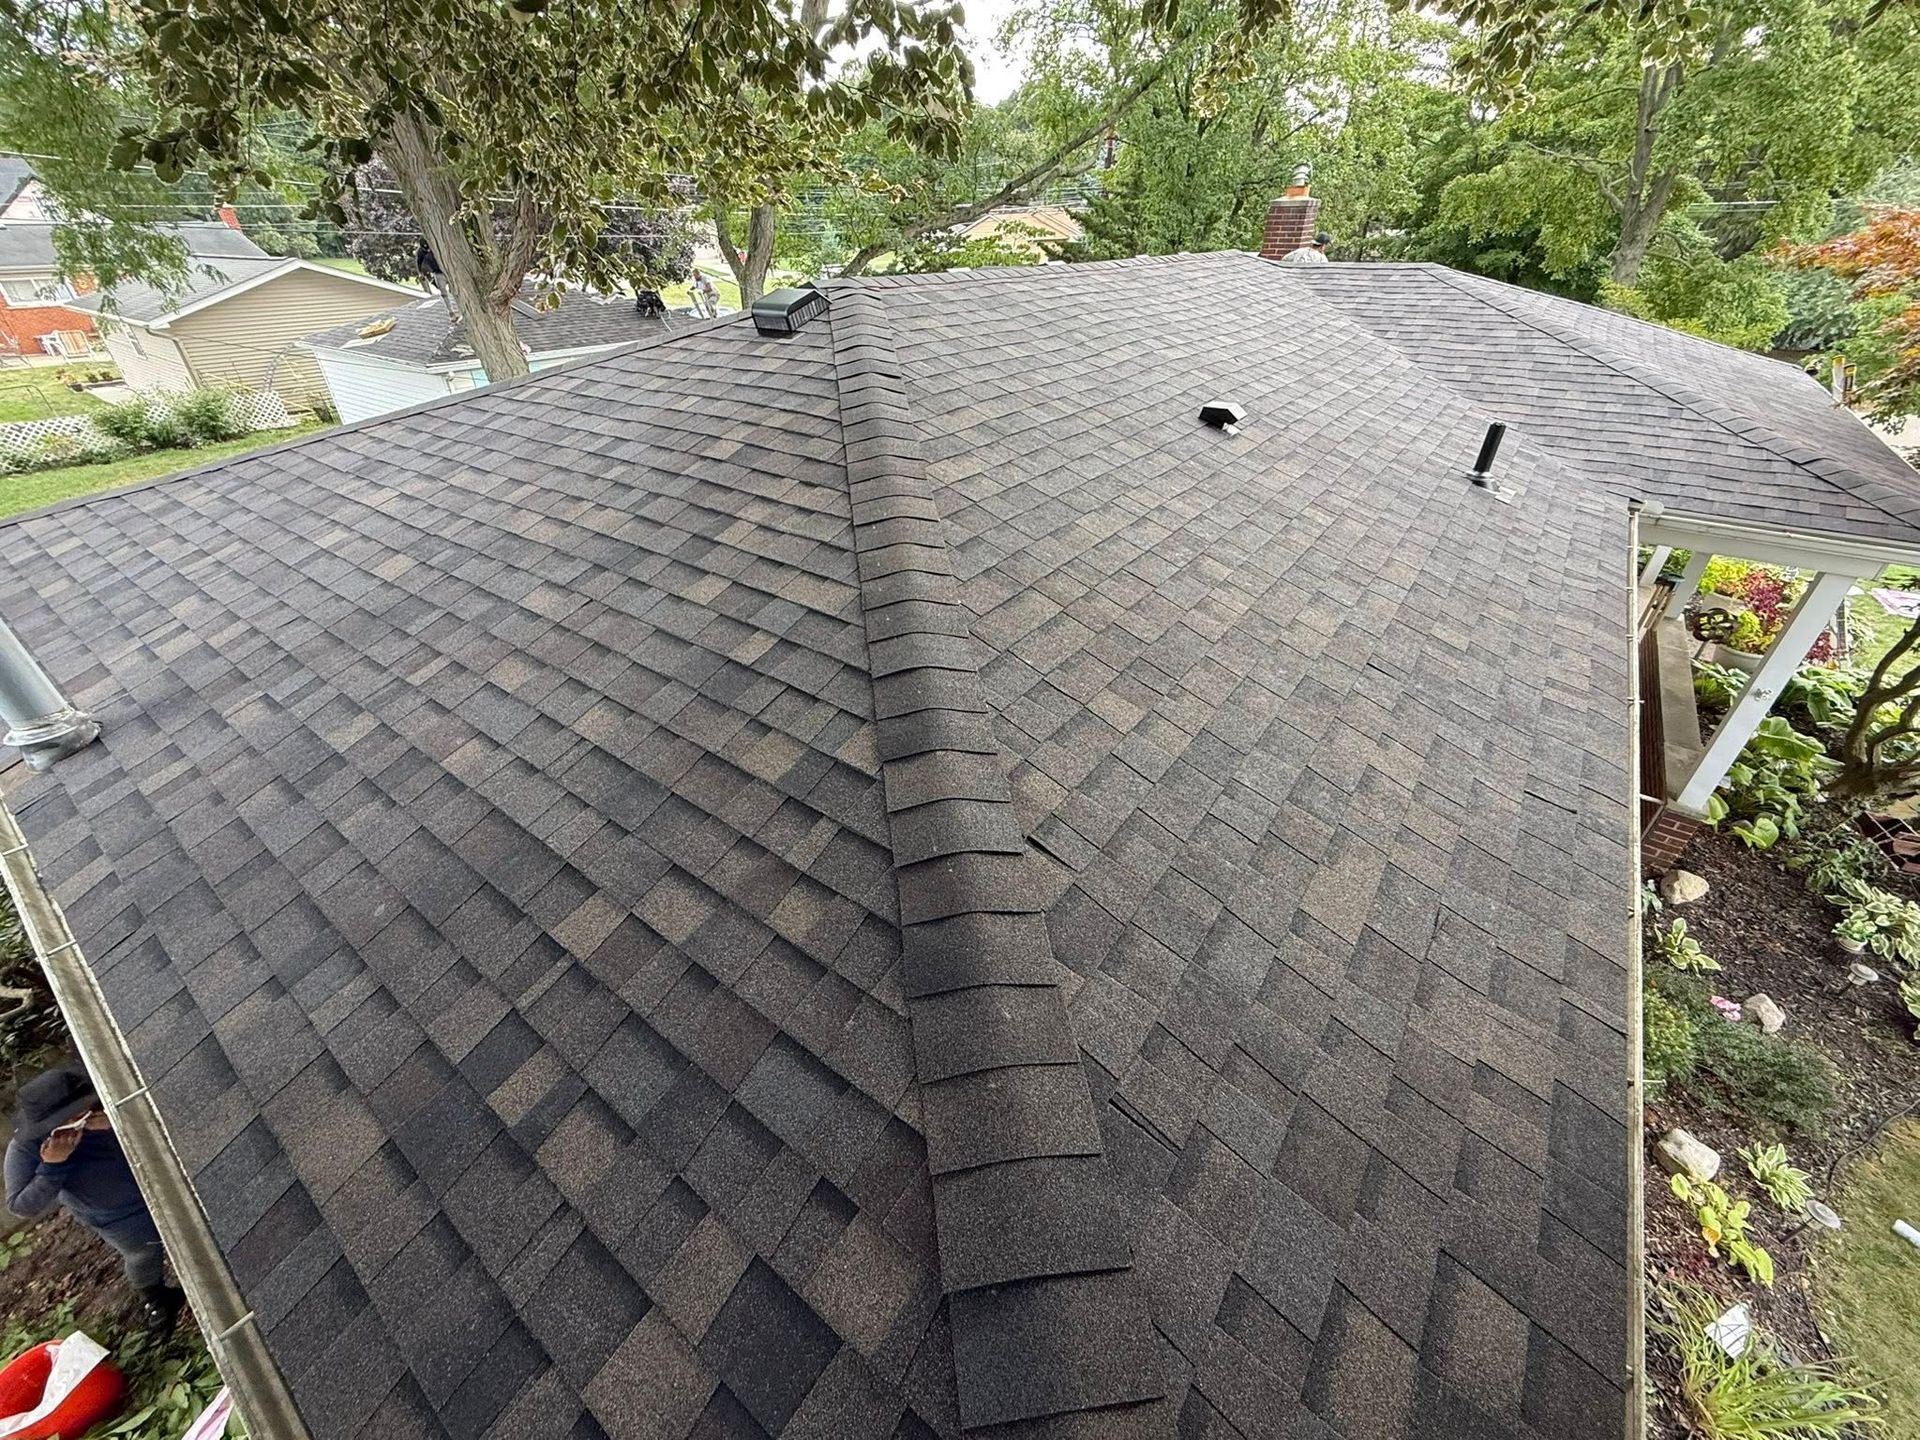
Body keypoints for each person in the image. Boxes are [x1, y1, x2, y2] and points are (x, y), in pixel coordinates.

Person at [5, 1065, 183, 1330]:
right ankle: (154, 1297)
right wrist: (53, 1166)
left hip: (161, 1179)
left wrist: (116, 1122)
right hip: (115, 1214)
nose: (77, 1118)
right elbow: (21, 1206)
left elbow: (166, 1114)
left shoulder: (105, 1101)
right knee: (143, 1252)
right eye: (67, 1118)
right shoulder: (25, 1148)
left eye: (80, 1110)